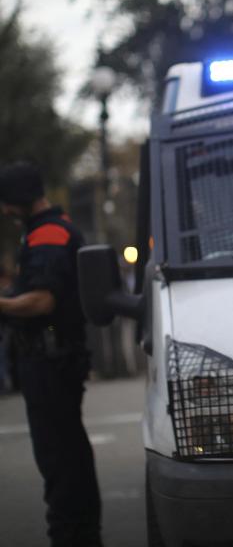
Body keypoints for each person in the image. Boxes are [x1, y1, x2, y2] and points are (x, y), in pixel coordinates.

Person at [0, 161, 103, 547]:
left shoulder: (47, 234)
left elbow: (41, 301)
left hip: (49, 363)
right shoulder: (47, 230)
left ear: (20, 198)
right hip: (53, 360)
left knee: (60, 460)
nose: (4, 210)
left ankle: (73, 536)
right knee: (67, 455)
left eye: (6, 202)